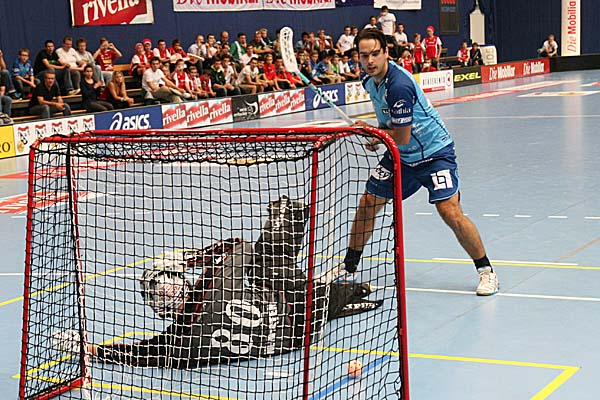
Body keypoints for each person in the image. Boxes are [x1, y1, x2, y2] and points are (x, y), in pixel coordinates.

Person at [53, 196, 382, 368]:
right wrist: (190, 259)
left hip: (294, 339)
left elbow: (141, 353)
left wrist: (90, 349)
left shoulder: (181, 341)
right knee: (266, 262)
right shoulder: (212, 286)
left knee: (302, 289)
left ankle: (350, 293)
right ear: (182, 282)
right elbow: (238, 246)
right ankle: (292, 214)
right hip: (300, 304)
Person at [335, 28, 499, 296]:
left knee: (450, 211)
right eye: (364, 56)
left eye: (375, 54)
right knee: (368, 203)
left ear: (386, 52)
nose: (370, 60)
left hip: (434, 153)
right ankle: (348, 268)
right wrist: (378, 134)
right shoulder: (369, 80)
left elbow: (401, 136)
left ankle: (486, 271)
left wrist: (373, 132)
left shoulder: (398, 86)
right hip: (402, 156)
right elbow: (388, 122)